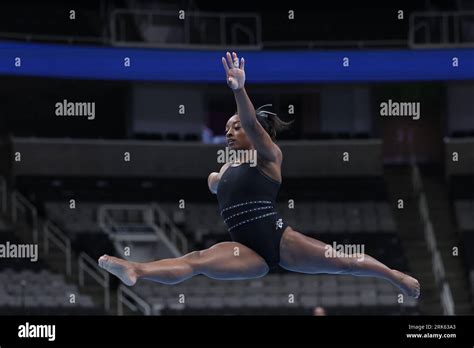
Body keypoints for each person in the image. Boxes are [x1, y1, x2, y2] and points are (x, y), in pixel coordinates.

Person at [98, 52, 420, 299]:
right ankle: (135, 270)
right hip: (247, 252)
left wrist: (239, 89)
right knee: (196, 260)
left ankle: (394, 276)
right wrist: (215, 182)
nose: (230, 132)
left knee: (343, 260)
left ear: (257, 132)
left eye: (235, 127)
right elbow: (218, 184)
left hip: (279, 240)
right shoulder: (225, 170)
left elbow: (251, 124)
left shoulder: (269, 157)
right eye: (226, 128)